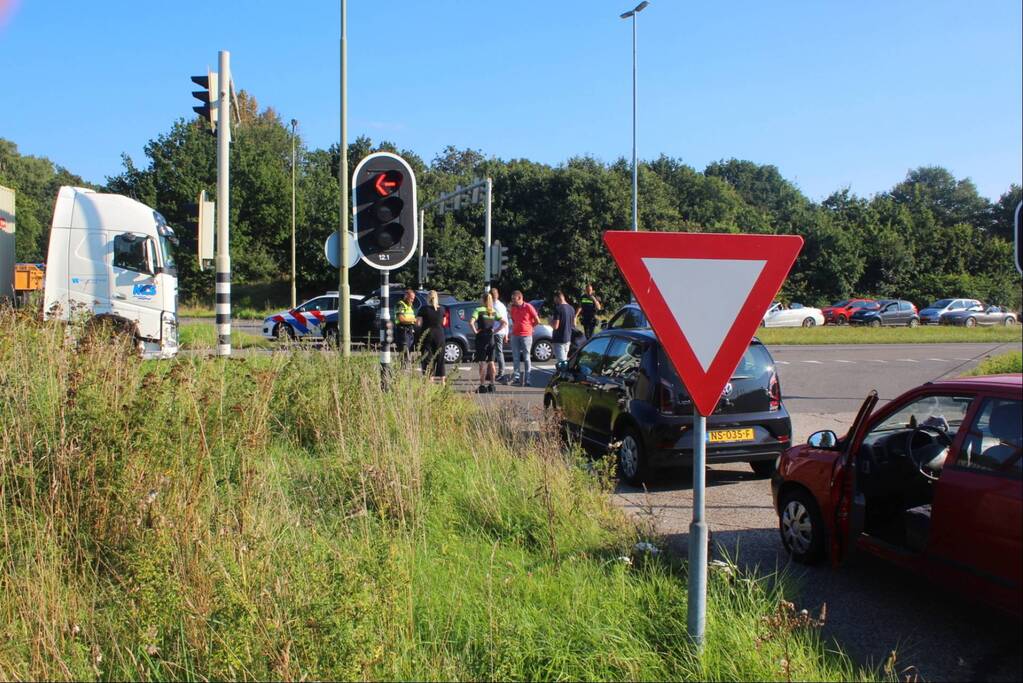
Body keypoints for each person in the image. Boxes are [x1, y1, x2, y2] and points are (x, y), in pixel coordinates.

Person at [469, 293, 505, 393]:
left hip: (481, 337)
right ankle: (492, 385)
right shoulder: (493, 311)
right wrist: (495, 330)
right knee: (491, 362)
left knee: (482, 362)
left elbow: (471, 322)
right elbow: (504, 322)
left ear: (483, 300)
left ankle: (482, 385)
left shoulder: (478, 310)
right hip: (491, 337)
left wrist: (475, 331)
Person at [508, 290, 540, 386]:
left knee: (526, 357)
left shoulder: (528, 307)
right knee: (516, 357)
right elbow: (513, 320)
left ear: (520, 298)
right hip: (515, 335)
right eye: (512, 299)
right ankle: (517, 378)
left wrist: (530, 327)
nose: (512, 301)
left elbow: (537, 320)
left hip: (526, 335)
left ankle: (528, 379)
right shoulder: (513, 308)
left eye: (514, 299)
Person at [416, 290, 447, 384]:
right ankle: (443, 382)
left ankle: (430, 382)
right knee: (440, 358)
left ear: (428, 298)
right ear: (437, 297)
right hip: (439, 335)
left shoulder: (423, 309)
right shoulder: (442, 309)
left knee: (427, 358)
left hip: (427, 335)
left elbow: (418, 323)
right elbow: (444, 322)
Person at [394, 288, 418, 368]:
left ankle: (406, 367)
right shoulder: (401, 304)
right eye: (411, 298)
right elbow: (401, 319)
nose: (412, 300)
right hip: (403, 330)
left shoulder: (409, 306)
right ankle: (403, 369)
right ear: (406, 296)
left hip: (409, 330)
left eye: (413, 299)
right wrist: (413, 320)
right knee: (404, 351)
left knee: (409, 350)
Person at [490, 287, 509, 382]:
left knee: (498, 353)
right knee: (497, 352)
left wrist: (494, 331)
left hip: (496, 331)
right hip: (501, 331)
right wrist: (506, 333)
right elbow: (506, 320)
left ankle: (501, 373)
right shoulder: (502, 305)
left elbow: (503, 321)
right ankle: (496, 372)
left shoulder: (494, 306)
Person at [550, 291, 575, 362]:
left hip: (559, 339)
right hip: (568, 338)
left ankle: (563, 373)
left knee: (562, 363)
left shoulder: (558, 309)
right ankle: (561, 373)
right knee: (564, 360)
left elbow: (555, 326)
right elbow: (573, 324)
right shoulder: (571, 308)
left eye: (555, 299)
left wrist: (550, 321)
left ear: (558, 298)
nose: (554, 301)